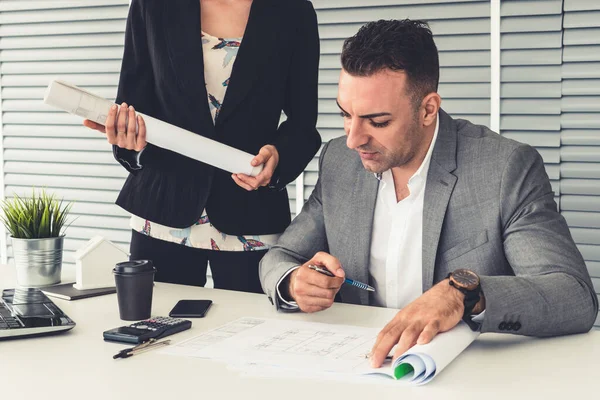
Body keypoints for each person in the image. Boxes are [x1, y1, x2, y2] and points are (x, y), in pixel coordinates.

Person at [259, 19, 598, 368]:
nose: (353, 139)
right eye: (346, 115)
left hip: (469, 374)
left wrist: (464, 296)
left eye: (377, 122)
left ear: (427, 109)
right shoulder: (339, 161)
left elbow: (573, 295)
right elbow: (281, 255)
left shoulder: (504, 168)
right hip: (360, 368)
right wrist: (293, 282)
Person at [83, 0, 321, 293]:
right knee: (156, 333)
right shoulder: (152, 5)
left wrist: (278, 158)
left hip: (250, 210)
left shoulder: (292, 11)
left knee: (252, 334)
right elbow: (133, 105)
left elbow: (303, 126)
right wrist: (130, 142)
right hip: (163, 209)